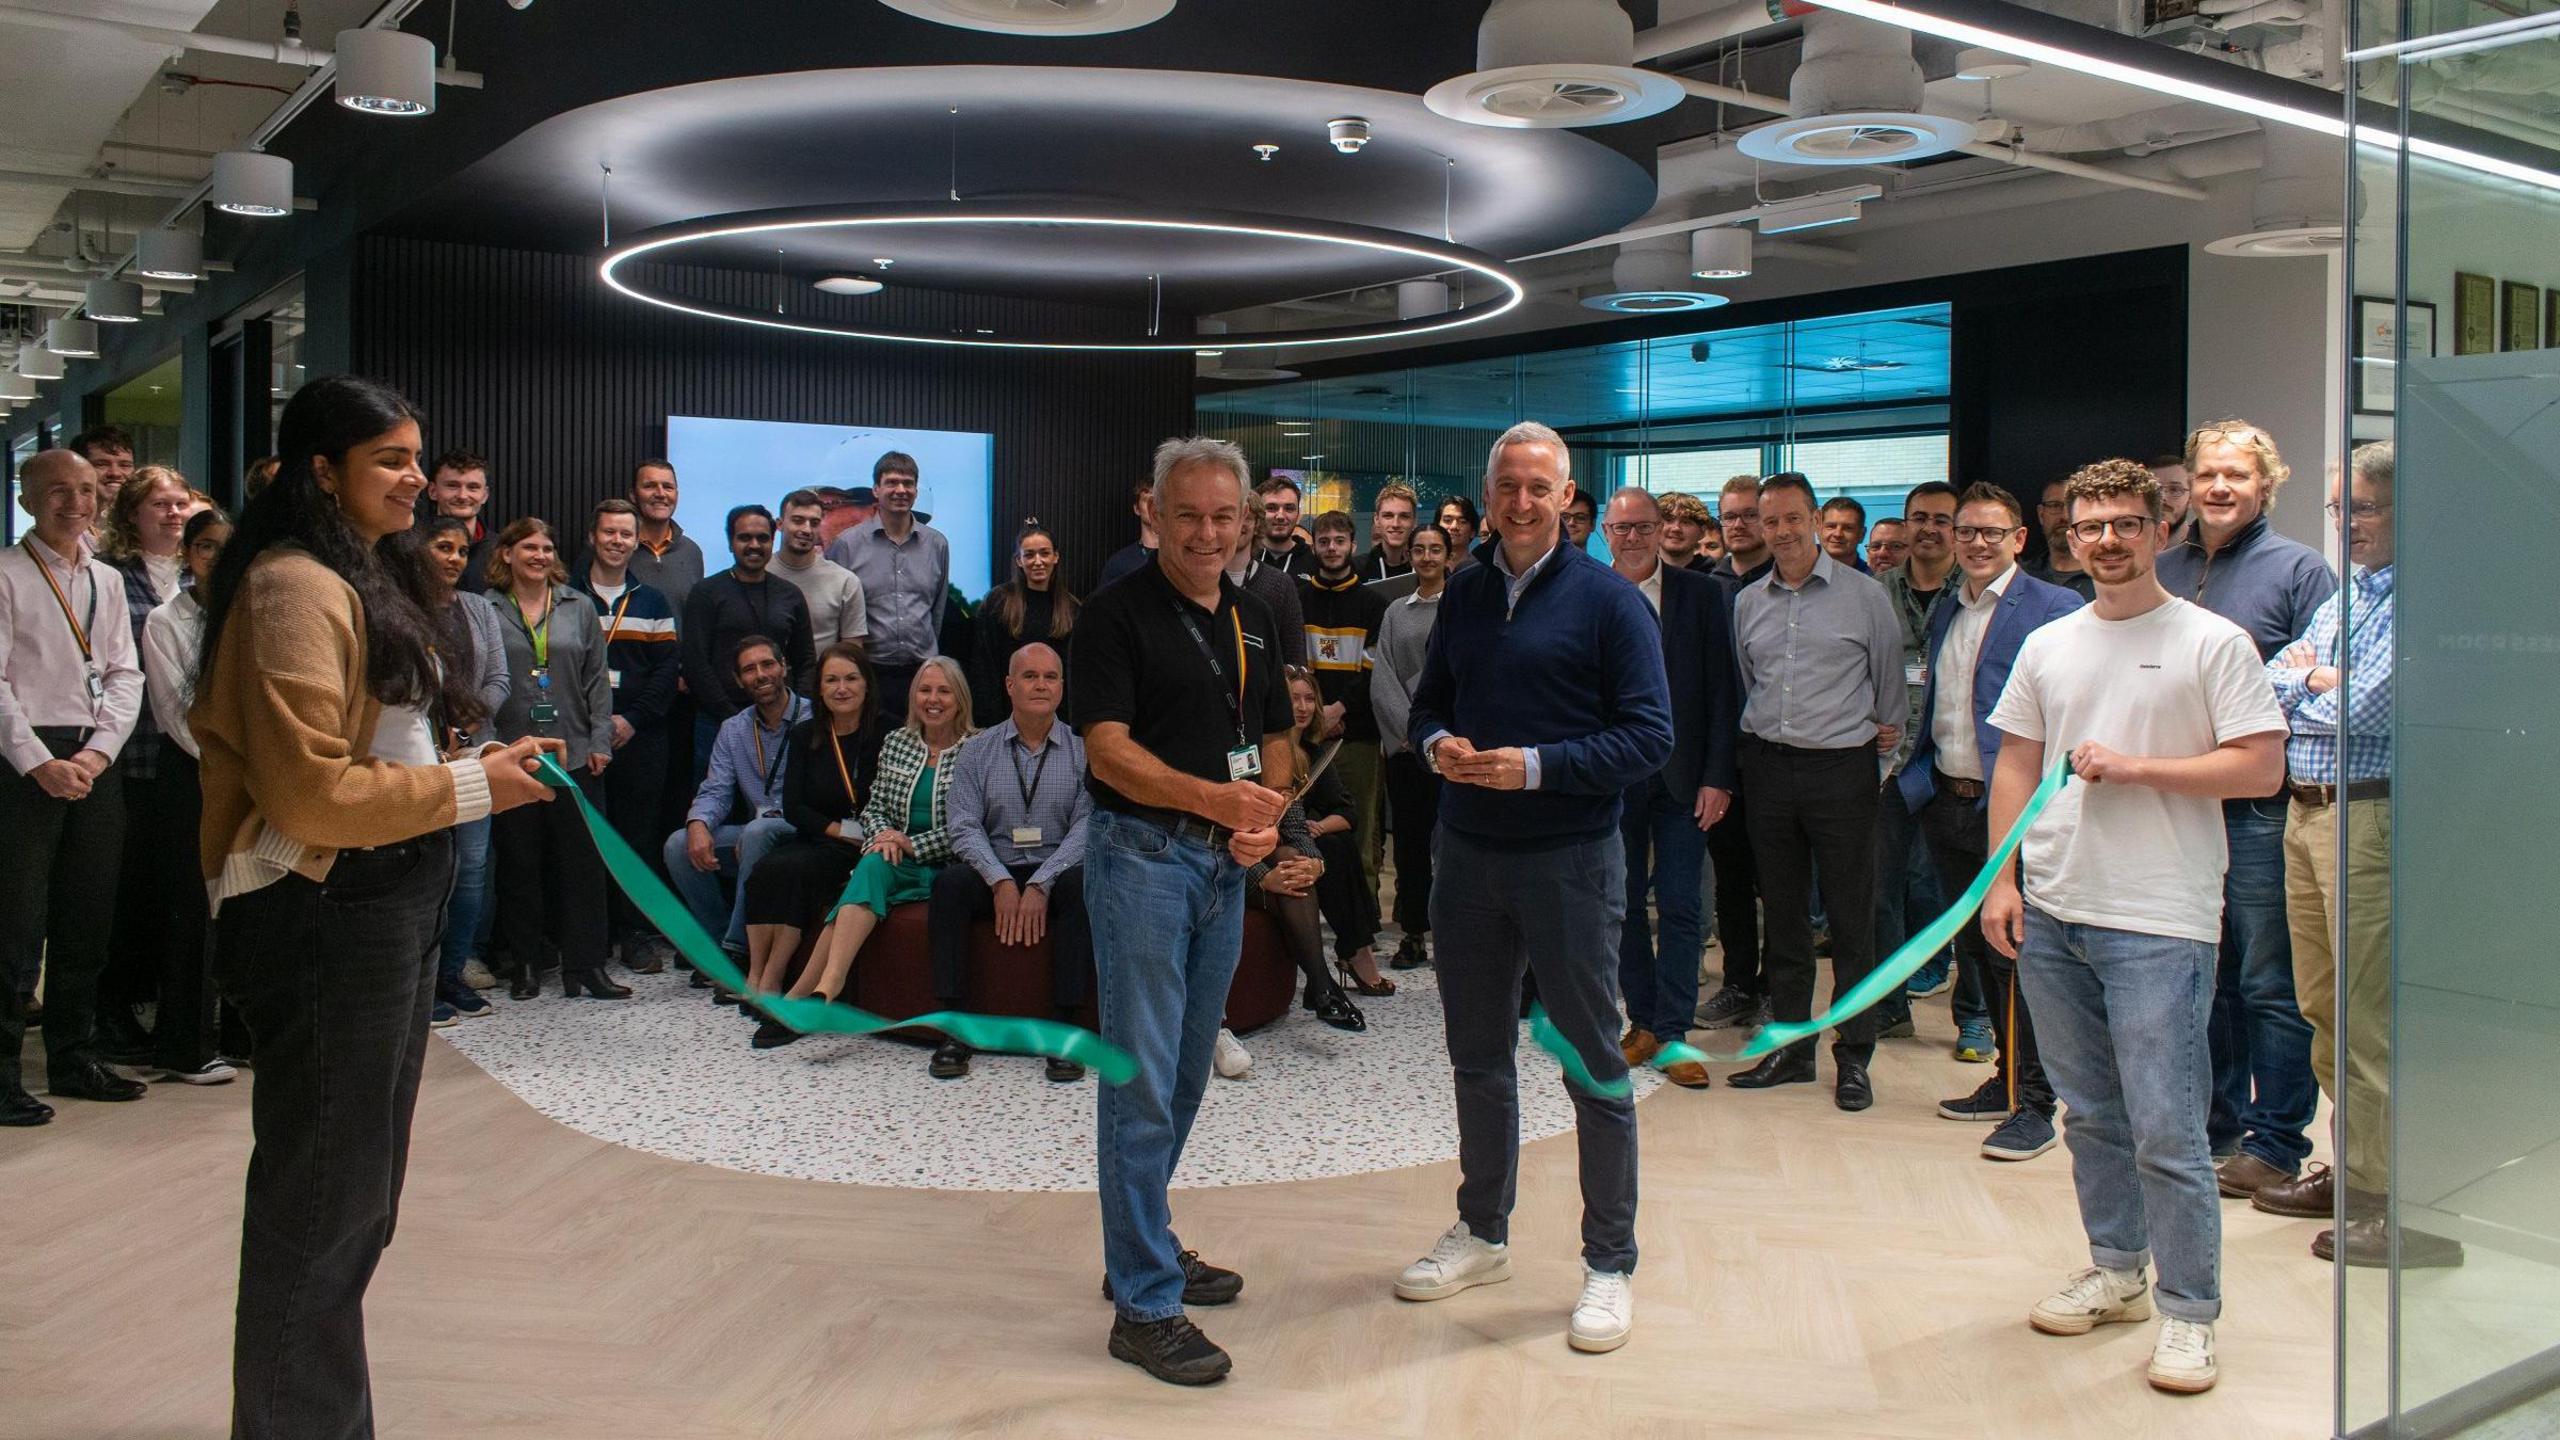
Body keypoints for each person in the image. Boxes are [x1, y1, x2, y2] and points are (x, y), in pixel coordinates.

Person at [191, 375, 559, 1438]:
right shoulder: (291, 588)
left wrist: (471, 761)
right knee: (324, 1206)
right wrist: (479, 785)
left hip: (383, 900)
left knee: (353, 1205)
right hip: (323, 911)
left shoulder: (358, 570)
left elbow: (381, 744)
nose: (418, 480)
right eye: (391, 460)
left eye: (417, 456)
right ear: (321, 471)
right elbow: (311, 794)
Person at [1980, 456, 2286, 1396]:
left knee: (2168, 1128)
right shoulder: (2049, 644)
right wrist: (2002, 881)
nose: (2106, 540)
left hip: (2160, 919)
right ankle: (2118, 1269)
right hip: (2058, 912)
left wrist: (2140, 767)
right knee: (2093, 1117)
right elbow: (2016, 767)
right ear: (2067, 538)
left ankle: (2190, 1313)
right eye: (2088, 526)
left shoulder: (2212, 641)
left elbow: (2260, 769)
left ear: (2161, 530)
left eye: (2124, 523)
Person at [1398, 420, 1672, 1356]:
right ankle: (1483, 1231)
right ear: (1488, 496)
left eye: (1538, 488)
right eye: (1506, 487)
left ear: (1567, 499)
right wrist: (1438, 746)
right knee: (1477, 1058)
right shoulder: (1465, 595)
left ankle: (1610, 1261)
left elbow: (1649, 738)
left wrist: (1536, 767)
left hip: (1570, 861)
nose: (1520, 503)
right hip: (1467, 858)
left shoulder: (1611, 604)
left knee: (1594, 1066)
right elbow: (1430, 703)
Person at [1073, 436, 1294, 1386]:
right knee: (1143, 1082)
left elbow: (1273, 736)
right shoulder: (1114, 616)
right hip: (1144, 863)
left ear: (1246, 521)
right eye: (1188, 514)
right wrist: (1215, 804)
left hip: (1220, 871)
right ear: (1152, 513)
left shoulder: (1252, 615)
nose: (1207, 532)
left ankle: (1143, 1245)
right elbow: (1108, 753)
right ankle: (1144, 1305)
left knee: (1189, 1077)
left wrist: (1265, 821)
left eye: (1223, 515)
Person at [2255, 443, 2453, 1267]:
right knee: (2324, 1009)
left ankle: (2388, 1197)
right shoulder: (2352, 596)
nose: (2349, 526)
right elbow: (2270, 679)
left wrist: (2315, 683)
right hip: (2305, 818)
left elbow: (2371, 710)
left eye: (2363, 510)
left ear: (2409, 511)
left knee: (2369, 1021)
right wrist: (2315, 679)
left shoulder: (2426, 595)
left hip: (2365, 821)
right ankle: (2350, 1169)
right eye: (2341, 511)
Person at [2153, 419, 2335, 1203]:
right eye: (2207, 475)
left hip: (2260, 809)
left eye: (2237, 475)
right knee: (2206, 975)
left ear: (2267, 485)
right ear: (2188, 484)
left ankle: (2276, 1141)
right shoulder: (2163, 568)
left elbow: (2316, 689)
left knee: (2269, 981)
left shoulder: (2302, 571)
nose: (2220, 488)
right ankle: (2216, 1123)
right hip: (2179, 803)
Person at [1896, 484, 2082, 1161]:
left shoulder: (2056, 608)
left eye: (1990, 533)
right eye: (1965, 532)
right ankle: (2005, 1080)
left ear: (2020, 539)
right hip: (1948, 801)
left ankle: (2035, 1103)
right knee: (1978, 951)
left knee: (2021, 957)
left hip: (2013, 811)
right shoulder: (1949, 606)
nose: (1975, 543)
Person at [1726, 472, 1903, 1110]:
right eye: (1767, 521)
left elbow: (1888, 696)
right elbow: (1751, 682)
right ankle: (1793, 1049)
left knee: (1853, 925)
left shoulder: (1866, 597)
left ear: (1815, 519)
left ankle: (1853, 1057)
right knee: (1786, 922)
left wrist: (1873, 766)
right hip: (1769, 771)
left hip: (1843, 773)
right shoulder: (1749, 601)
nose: (1780, 532)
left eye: (1791, 519)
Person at [1, 449, 150, 1122]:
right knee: (16, 923)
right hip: (22, 760)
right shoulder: (6, 573)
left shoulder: (107, 581)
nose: (76, 502)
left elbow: (125, 674)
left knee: (87, 918)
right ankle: (4, 1073)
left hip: (93, 759)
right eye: (58, 491)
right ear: (29, 499)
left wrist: (96, 756)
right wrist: (39, 762)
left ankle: (73, 1056)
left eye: (87, 490)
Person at [1599, 487, 1737, 1093]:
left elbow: (1723, 692)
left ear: (1662, 530)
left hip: (1685, 778)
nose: (1632, 537)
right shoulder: (1587, 592)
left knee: (1682, 906)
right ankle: (1643, 1024)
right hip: (1610, 778)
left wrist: (1717, 776)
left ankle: (1674, 1030)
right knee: (1621, 903)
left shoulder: (1704, 595)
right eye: (1621, 528)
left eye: (1642, 527)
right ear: (1606, 532)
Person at [759, 658, 973, 1044]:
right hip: (893, 860)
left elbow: (973, 827)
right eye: (925, 690)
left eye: (944, 691)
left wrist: (909, 843)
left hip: (951, 866)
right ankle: (827, 985)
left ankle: (806, 993)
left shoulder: (978, 748)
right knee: (872, 866)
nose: (933, 699)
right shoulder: (897, 741)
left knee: (865, 874)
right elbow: (874, 809)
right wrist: (883, 837)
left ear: (960, 698)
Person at [927, 642, 1099, 1080]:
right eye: (1029, 676)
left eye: (1050, 677)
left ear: (1062, 688)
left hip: (1059, 867)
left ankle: (1064, 1030)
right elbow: (963, 825)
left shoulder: (1085, 752)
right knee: (948, 885)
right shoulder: (977, 750)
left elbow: (1087, 826)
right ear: (1009, 685)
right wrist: (1001, 882)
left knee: (1084, 886)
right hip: (996, 866)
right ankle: (955, 1029)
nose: (1040, 685)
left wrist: (1040, 883)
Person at [485, 518, 621, 1002]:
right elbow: (479, 677)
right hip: (513, 758)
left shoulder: (577, 605)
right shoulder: (487, 609)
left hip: (577, 752)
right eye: (528, 547)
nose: (540, 555)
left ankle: (586, 967)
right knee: (520, 865)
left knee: (583, 865)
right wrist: (485, 746)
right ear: (506, 554)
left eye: (546, 547)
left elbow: (596, 679)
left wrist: (601, 741)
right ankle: (525, 964)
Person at [96, 464, 199, 1064]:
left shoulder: (198, 574)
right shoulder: (113, 576)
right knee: (127, 891)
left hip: (190, 755)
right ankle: (114, 1009)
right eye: (158, 503)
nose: (172, 513)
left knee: (175, 891)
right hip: (132, 753)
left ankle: (166, 1006)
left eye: (179, 502)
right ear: (132, 514)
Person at [1873, 481, 1978, 1056]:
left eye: (1943, 519)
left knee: (1964, 899)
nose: (1929, 529)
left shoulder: (1978, 593)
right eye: (1920, 518)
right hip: (1890, 766)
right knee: (1879, 896)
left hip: (1957, 765)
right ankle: (1888, 1009)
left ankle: (1976, 1017)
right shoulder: (1874, 592)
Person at [138, 505, 238, 1081]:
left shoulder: (249, 614)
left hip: (248, 774)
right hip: (193, 775)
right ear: (188, 553)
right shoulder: (164, 621)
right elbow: (177, 713)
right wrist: (232, 763)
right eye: (206, 547)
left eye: (228, 547)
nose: (217, 559)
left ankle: (242, 1035)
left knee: (246, 903)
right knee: (194, 914)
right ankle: (185, 1046)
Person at [574, 499, 681, 971]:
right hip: (580, 738)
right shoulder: (569, 597)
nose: (617, 541)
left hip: (641, 737)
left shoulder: (653, 601)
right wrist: (595, 725)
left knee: (638, 838)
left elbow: (666, 672)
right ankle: (589, 939)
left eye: (625, 534)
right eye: (608, 533)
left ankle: (636, 936)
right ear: (593, 537)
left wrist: (630, 720)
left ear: (636, 541)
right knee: (586, 840)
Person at [738, 641, 878, 1000]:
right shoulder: (805, 734)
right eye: (831, 680)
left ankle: (773, 977)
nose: (841, 688)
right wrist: (837, 831)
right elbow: (794, 806)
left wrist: (860, 836)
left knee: (797, 872)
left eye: (851, 679)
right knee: (768, 869)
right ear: (819, 688)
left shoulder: (887, 733)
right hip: (823, 836)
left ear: (866, 684)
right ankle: (755, 975)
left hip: (869, 844)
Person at [665, 636, 807, 973]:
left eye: (767, 664)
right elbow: (716, 789)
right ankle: (716, 948)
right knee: (678, 844)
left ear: (783, 667)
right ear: (738, 679)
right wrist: (697, 823)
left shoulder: (814, 718)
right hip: (755, 834)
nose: (760, 675)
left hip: (803, 831)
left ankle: (738, 949)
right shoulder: (733, 729)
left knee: (757, 831)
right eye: (749, 669)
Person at [420, 516, 508, 1018]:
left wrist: (468, 729)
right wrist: (438, 731)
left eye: (460, 550)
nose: (453, 558)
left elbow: (498, 677)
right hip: (422, 756)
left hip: (474, 752)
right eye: (442, 547)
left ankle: (452, 975)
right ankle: (422, 984)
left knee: (472, 871)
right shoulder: (401, 608)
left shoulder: (478, 608)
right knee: (430, 874)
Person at [1251, 667, 1373, 1030]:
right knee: (1294, 862)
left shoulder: (1302, 754)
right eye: (1293, 699)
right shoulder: (1248, 754)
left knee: (1302, 858)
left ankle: (1322, 986)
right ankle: (1323, 983)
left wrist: (1314, 863)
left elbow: (1292, 819)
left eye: (1309, 699)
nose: (1302, 708)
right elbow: (1221, 838)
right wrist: (1262, 877)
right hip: (1231, 866)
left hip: (1275, 855)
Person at [1694, 473, 1772, 1032]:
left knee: (1784, 886)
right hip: (1722, 759)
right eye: (1730, 516)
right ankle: (1740, 983)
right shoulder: (1704, 586)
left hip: (1782, 760)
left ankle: (1779, 992)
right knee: (1733, 882)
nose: (1740, 525)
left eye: (1750, 514)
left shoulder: (1790, 581)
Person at [1299, 508, 1390, 913]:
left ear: (1353, 546)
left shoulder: (1373, 604)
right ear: (1314, 546)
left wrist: (1338, 709)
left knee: (1359, 829)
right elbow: (1295, 667)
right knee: (1306, 829)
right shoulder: (1298, 600)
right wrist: (1319, 714)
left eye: (1339, 541)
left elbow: (1374, 668)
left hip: (1357, 732)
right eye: (1324, 541)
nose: (1331, 548)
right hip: (1306, 734)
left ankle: (1363, 922)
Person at [683, 504, 817, 767]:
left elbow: (806, 658)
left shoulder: (789, 595)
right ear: (731, 543)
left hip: (782, 722)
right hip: (719, 721)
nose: (754, 545)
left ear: (772, 541)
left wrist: (796, 713)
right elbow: (695, 662)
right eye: (745, 537)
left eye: (763, 538)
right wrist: (733, 719)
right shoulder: (706, 593)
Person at [1371, 521, 1448, 971]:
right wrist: (1414, 732)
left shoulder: (1463, 606)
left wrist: (1443, 733)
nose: (1425, 557)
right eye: (1418, 550)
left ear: (1446, 554)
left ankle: (1455, 934)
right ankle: (1414, 933)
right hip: (1407, 750)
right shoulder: (1397, 611)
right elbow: (1384, 678)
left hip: (1456, 750)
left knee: (1454, 847)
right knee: (1412, 848)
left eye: (1434, 549)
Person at [826, 450, 950, 722]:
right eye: (892, 482)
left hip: (922, 675)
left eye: (908, 483)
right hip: (869, 674)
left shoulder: (937, 544)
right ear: (876, 489)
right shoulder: (846, 545)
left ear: (916, 491)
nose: (900, 490)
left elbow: (937, 611)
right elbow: (835, 613)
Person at [973, 520, 1078, 725]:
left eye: (1044, 553)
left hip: (1058, 724)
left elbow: (1074, 677)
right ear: (1019, 561)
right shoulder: (998, 602)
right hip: (1003, 721)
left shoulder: (1072, 609)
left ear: (1055, 557)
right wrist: (990, 725)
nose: (1037, 561)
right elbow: (984, 669)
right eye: (1029, 554)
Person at [770, 487, 869, 654]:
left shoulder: (844, 582)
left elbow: (852, 655)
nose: (807, 529)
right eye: (798, 520)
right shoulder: (759, 574)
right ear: (779, 524)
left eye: (814, 523)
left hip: (822, 678)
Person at [1226, 513, 1308, 666]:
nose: (1239, 524)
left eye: (1247, 517)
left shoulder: (1281, 584)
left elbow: (1294, 655)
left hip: (1266, 686)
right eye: (1230, 516)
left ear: (1258, 525)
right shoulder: (1203, 579)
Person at [626, 458, 705, 612]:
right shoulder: (615, 548)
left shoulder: (691, 552)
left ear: (677, 494)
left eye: (668, 487)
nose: (661, 494)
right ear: (633, 495)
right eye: (650, 486)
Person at [425, 448, 494, 593]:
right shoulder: (409, 543)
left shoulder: (501, 550)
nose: (462, 495)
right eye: (452, 486)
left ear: (485, 495)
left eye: (473, 487)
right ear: (432, 491)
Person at [2027, 477, 2099, 601]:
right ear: (2041, 514)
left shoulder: (2107, 576)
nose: (2064, 516)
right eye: (2055, 506)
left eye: (2071, 507)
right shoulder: (2023, 576)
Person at [1097, 479, 1159, 590]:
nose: (1152, 507)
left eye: (1158, 500)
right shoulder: (1118, 564)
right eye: (1147, 500)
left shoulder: (1181, 559)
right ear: (1136, 509)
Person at [69, 425, 139, 520]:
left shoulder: (144, 524)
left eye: (125, 465)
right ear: (77, 469)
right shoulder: (64, 526)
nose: (115, 473)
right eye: (102, 464)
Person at [1360, 481, 1420, 584]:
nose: (1395, 524)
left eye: (1404, 516)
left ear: (1414, 522)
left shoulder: (1424, 568)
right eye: (1388, 515)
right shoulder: (1357, 569)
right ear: (1377, 520)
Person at [1257, 475, 1312, 574]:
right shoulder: (1243, 557)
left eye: (1289, 508)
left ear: (1298, 515)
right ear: (1259, 513)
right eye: (1271, 508)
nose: (1280, 516)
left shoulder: (1315, 561)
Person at [1655, 491, 1713, 570]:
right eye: (1669, 520)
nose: (1676, 528)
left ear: (1702, 532)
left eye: (1686, 522)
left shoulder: (1716, 579)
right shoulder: (1637, 574)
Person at [2151, 454, 2194, 547]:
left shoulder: (2208, 553)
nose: (2162, 498)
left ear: (2191, 498)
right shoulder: (2130, 551)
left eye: (2174, 489)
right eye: (2155, 489)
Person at [1819, 494, 1870, 572]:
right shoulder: (1797, 571)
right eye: (1831, 526)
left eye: (1848, 528)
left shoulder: (1872, 581)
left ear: (1862, 534)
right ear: (1818, 529)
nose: (1838, 534)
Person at [1434, 495, 1481, 566]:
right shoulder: (1424, 568)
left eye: (1462, 521)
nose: (1454, 527)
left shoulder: (1483, 571)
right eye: (1447, 520)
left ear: (1473, 531)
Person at [1560, 488, 1598, 553]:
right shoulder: (1538, 562)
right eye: (1565, 517)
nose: (1571, 523)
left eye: (1580, 518)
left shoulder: (1597, 563)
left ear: (1593, 525)